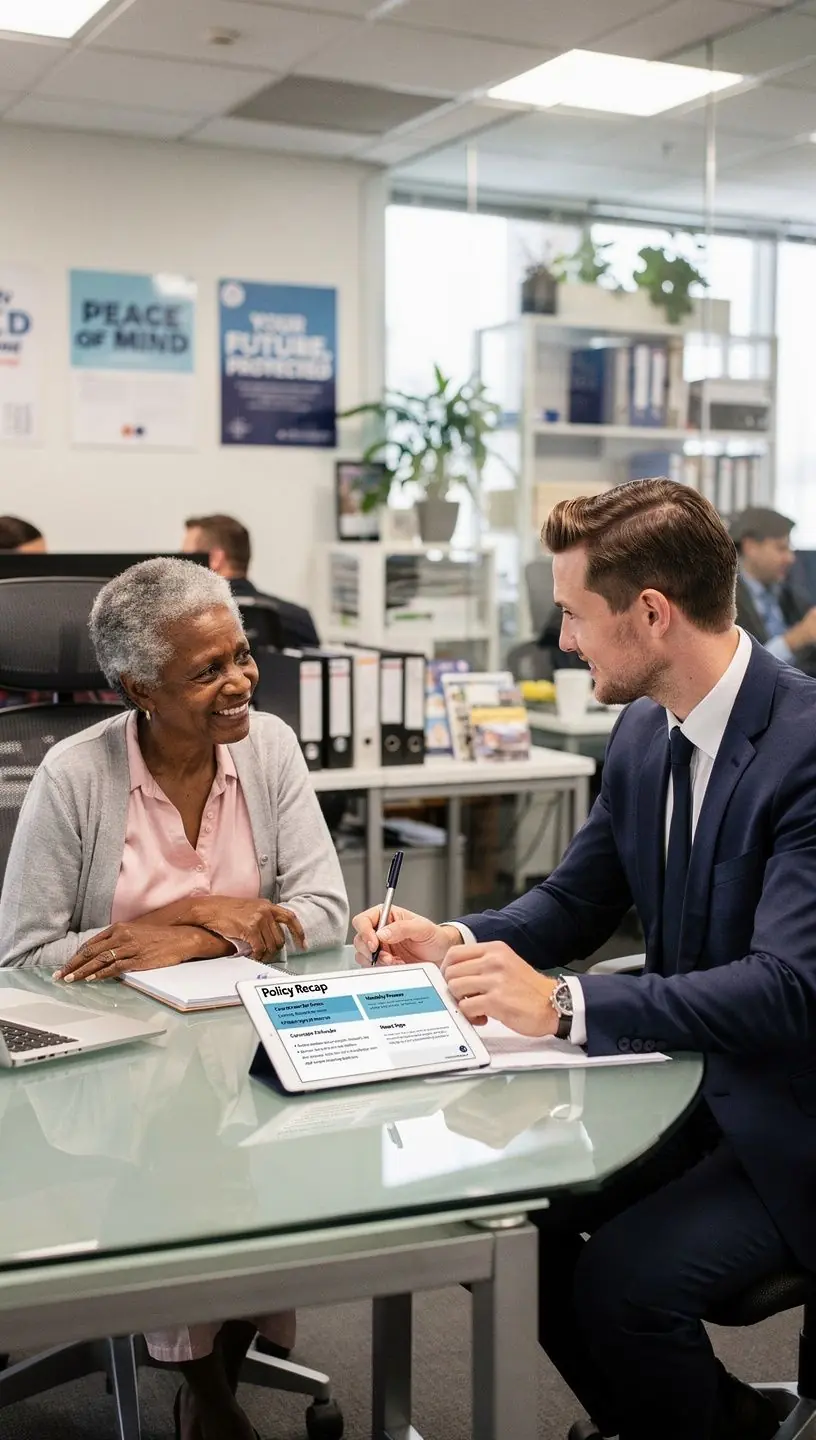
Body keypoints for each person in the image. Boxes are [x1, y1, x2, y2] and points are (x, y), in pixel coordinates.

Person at [352, 477, 816, 1440]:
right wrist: (456, 939)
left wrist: (564, 1007)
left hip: (791, 1112)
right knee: (520, 1230)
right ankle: (704, 1423)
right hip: (687, 1088)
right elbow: (574, 901)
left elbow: (787, 988)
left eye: (573, 614)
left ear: (652, 613)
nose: (562, 638)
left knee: (620, 1282)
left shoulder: (806, 747)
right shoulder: (645, 729)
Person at [0, 556, 348, 1440]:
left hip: (253, 1045)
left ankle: (208, 1379)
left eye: (240, 655)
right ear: (137, 688)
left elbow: (325, 913)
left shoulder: (266, 748)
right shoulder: (74, 777)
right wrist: (213, 909)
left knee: (275, 1156)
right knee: (180, 1156)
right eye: (207, 671)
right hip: (115, 1070)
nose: (239, 682)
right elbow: (26, 954)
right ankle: (211, 1395)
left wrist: (192, 927)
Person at [183, 513, 319, 648]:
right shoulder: (298, 618)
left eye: (186, 557)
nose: (182, 565)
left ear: (215, 559)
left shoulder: (189, 620)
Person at [732, 504, 816, 675]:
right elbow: (742, 670)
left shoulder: (792, 596)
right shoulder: (725, 603)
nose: (791, 558)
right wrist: (794, 639)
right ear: (751, 547)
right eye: (781, 548)